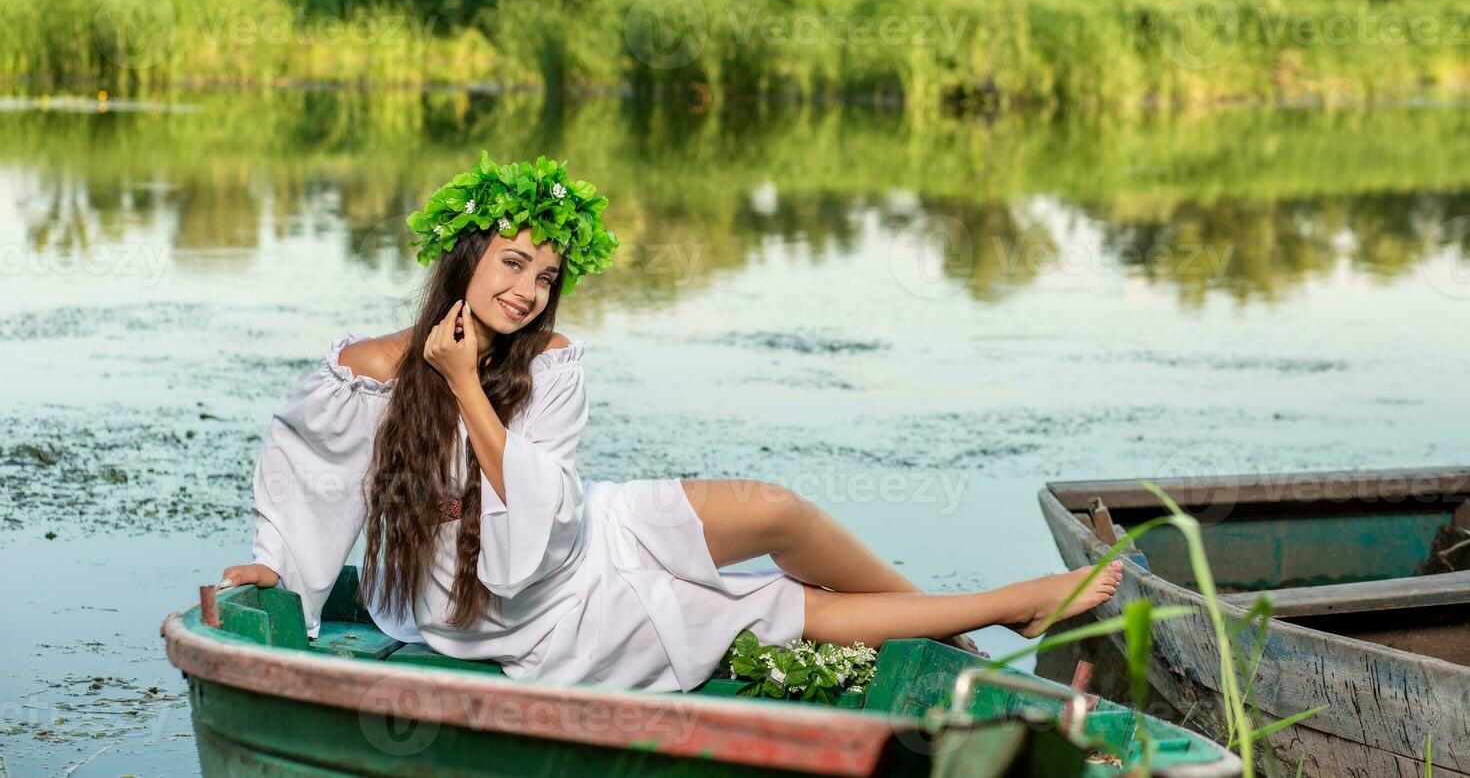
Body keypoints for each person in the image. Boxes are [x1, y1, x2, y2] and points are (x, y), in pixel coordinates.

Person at [219, 154, 1122, 692]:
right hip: (497, 597)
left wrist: (470, 384)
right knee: (771, 606)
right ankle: (1011, 608)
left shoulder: (551, 359)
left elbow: (547, 496)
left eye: (544, 276)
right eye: (512, 264)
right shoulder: (370, 371)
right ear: (466, 258)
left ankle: (943, 636)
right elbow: (312, 476)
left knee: (773, 509)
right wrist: (284, 565)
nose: (527, 290)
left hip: (571, 529)